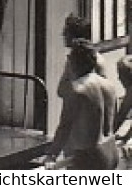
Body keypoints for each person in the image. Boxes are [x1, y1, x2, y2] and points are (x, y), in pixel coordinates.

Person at [46, 40, 120, 169]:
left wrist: (51, 155)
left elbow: (65, 126)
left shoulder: (77, 89)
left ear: (72, 62)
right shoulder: (110, 86)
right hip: (111, 151)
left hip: (90, 157)